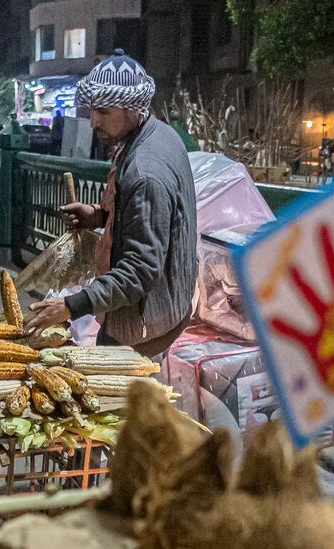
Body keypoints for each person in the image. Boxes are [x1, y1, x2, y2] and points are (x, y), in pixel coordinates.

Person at [24, 50, 198, 358]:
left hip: (145, 322)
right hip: (165, 305)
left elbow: (141, 269)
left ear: (133, 109)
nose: (93, 122)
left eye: (103, 112)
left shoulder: (146, 171)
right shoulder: (159, 134)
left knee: (119, 404)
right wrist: (100, 216)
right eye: (92, 111)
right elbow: (151, 219)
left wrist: (70, 306)